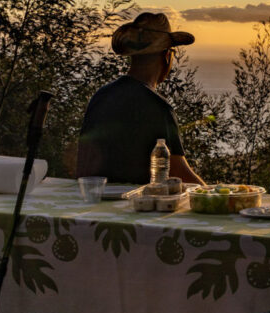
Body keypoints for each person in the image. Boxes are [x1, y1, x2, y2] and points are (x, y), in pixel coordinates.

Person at [76, 12, 204, 185]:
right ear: (167, 56)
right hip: (136, 206)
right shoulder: (158, 107)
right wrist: (213, 195)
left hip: (94, 202)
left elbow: (83, 164)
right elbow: (179, 174)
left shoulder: (101, 97)